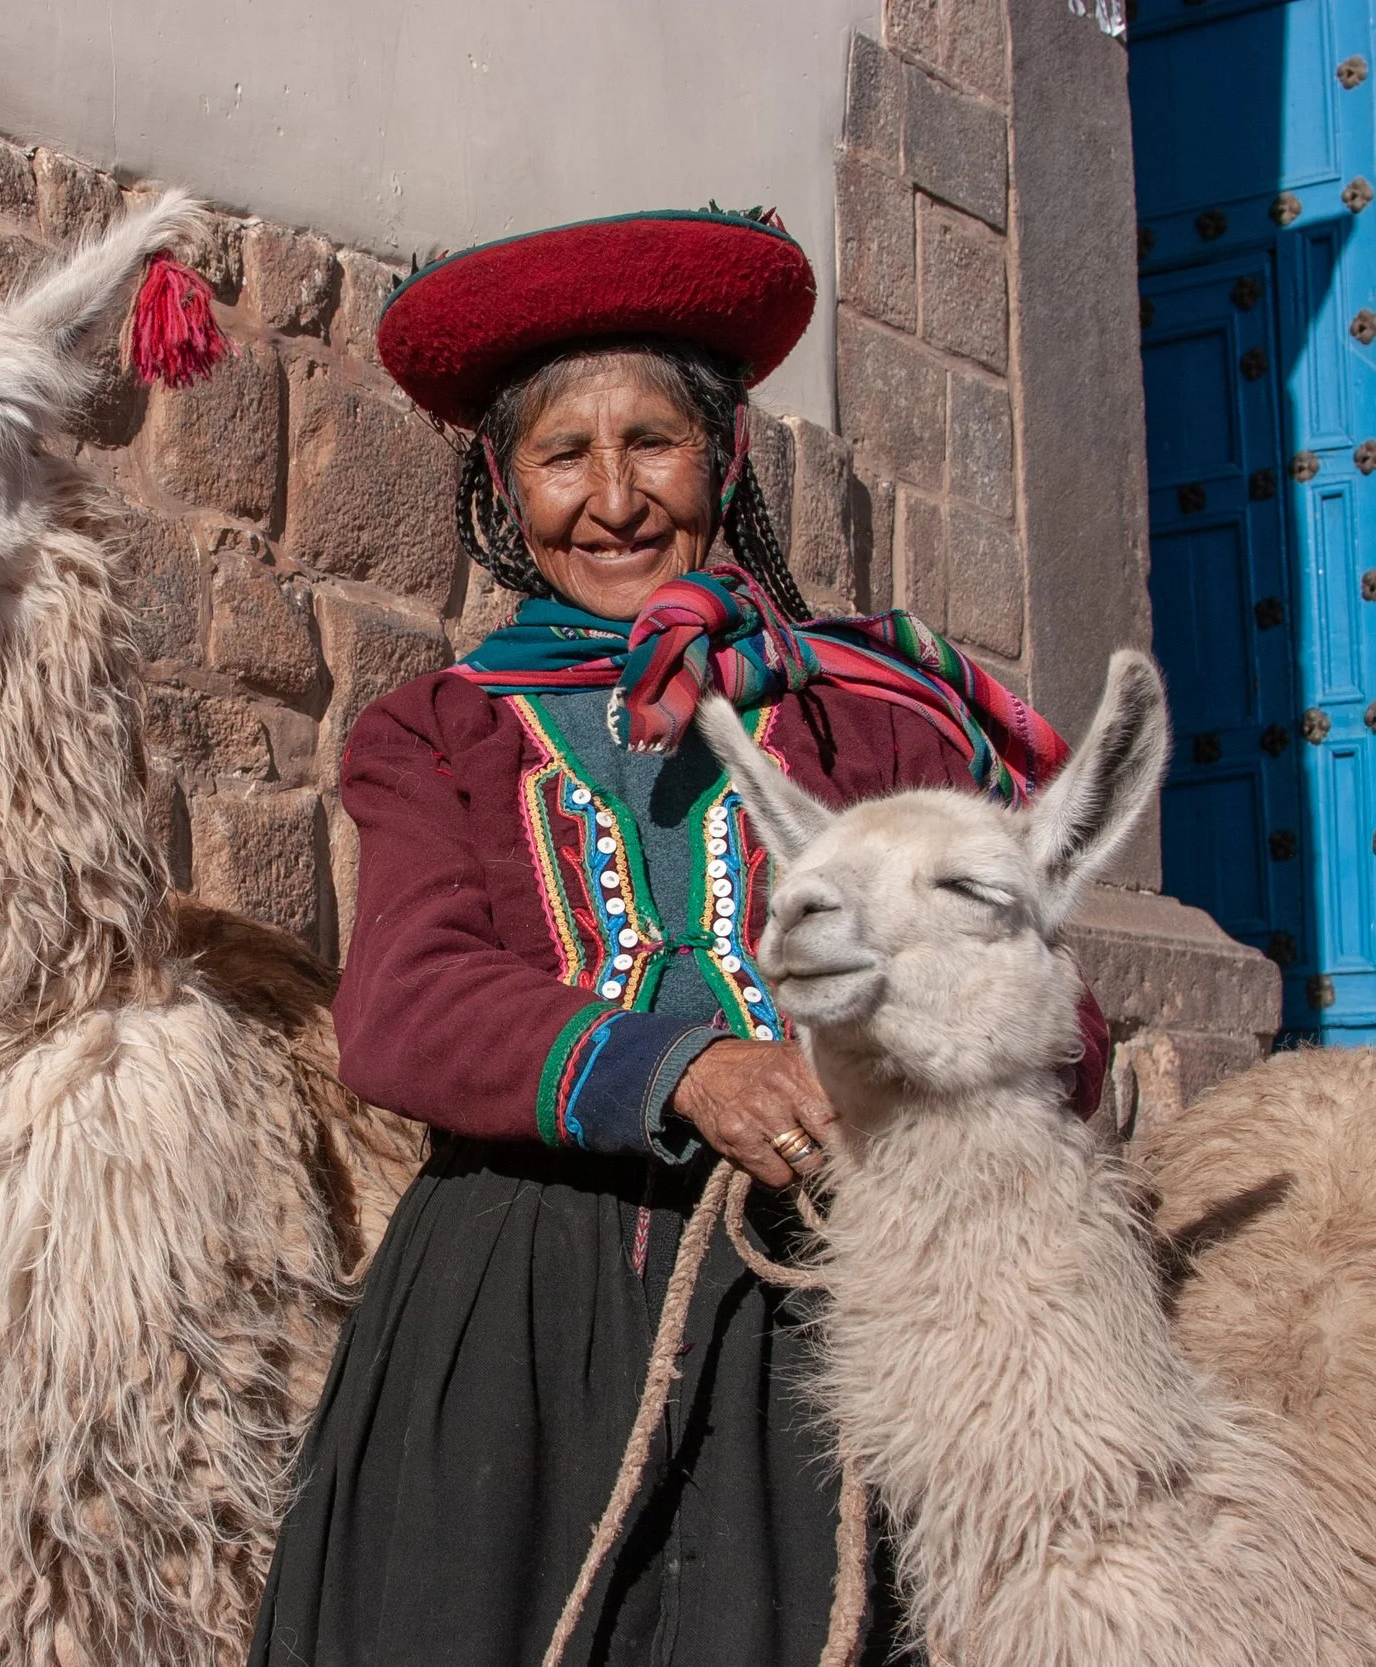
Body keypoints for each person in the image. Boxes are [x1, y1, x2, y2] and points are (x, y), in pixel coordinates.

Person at [251, 209, 1107, 1666]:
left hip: (844, 1295)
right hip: (519, 1314)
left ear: (730, 458)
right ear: (503, 487)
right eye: (561, 455)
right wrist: (681, 1064)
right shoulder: (442, 731)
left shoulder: (875, 714)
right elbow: (400, 998)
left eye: (652, 442)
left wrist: (891, 1065)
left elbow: (1046, 1013)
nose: (612, 498)